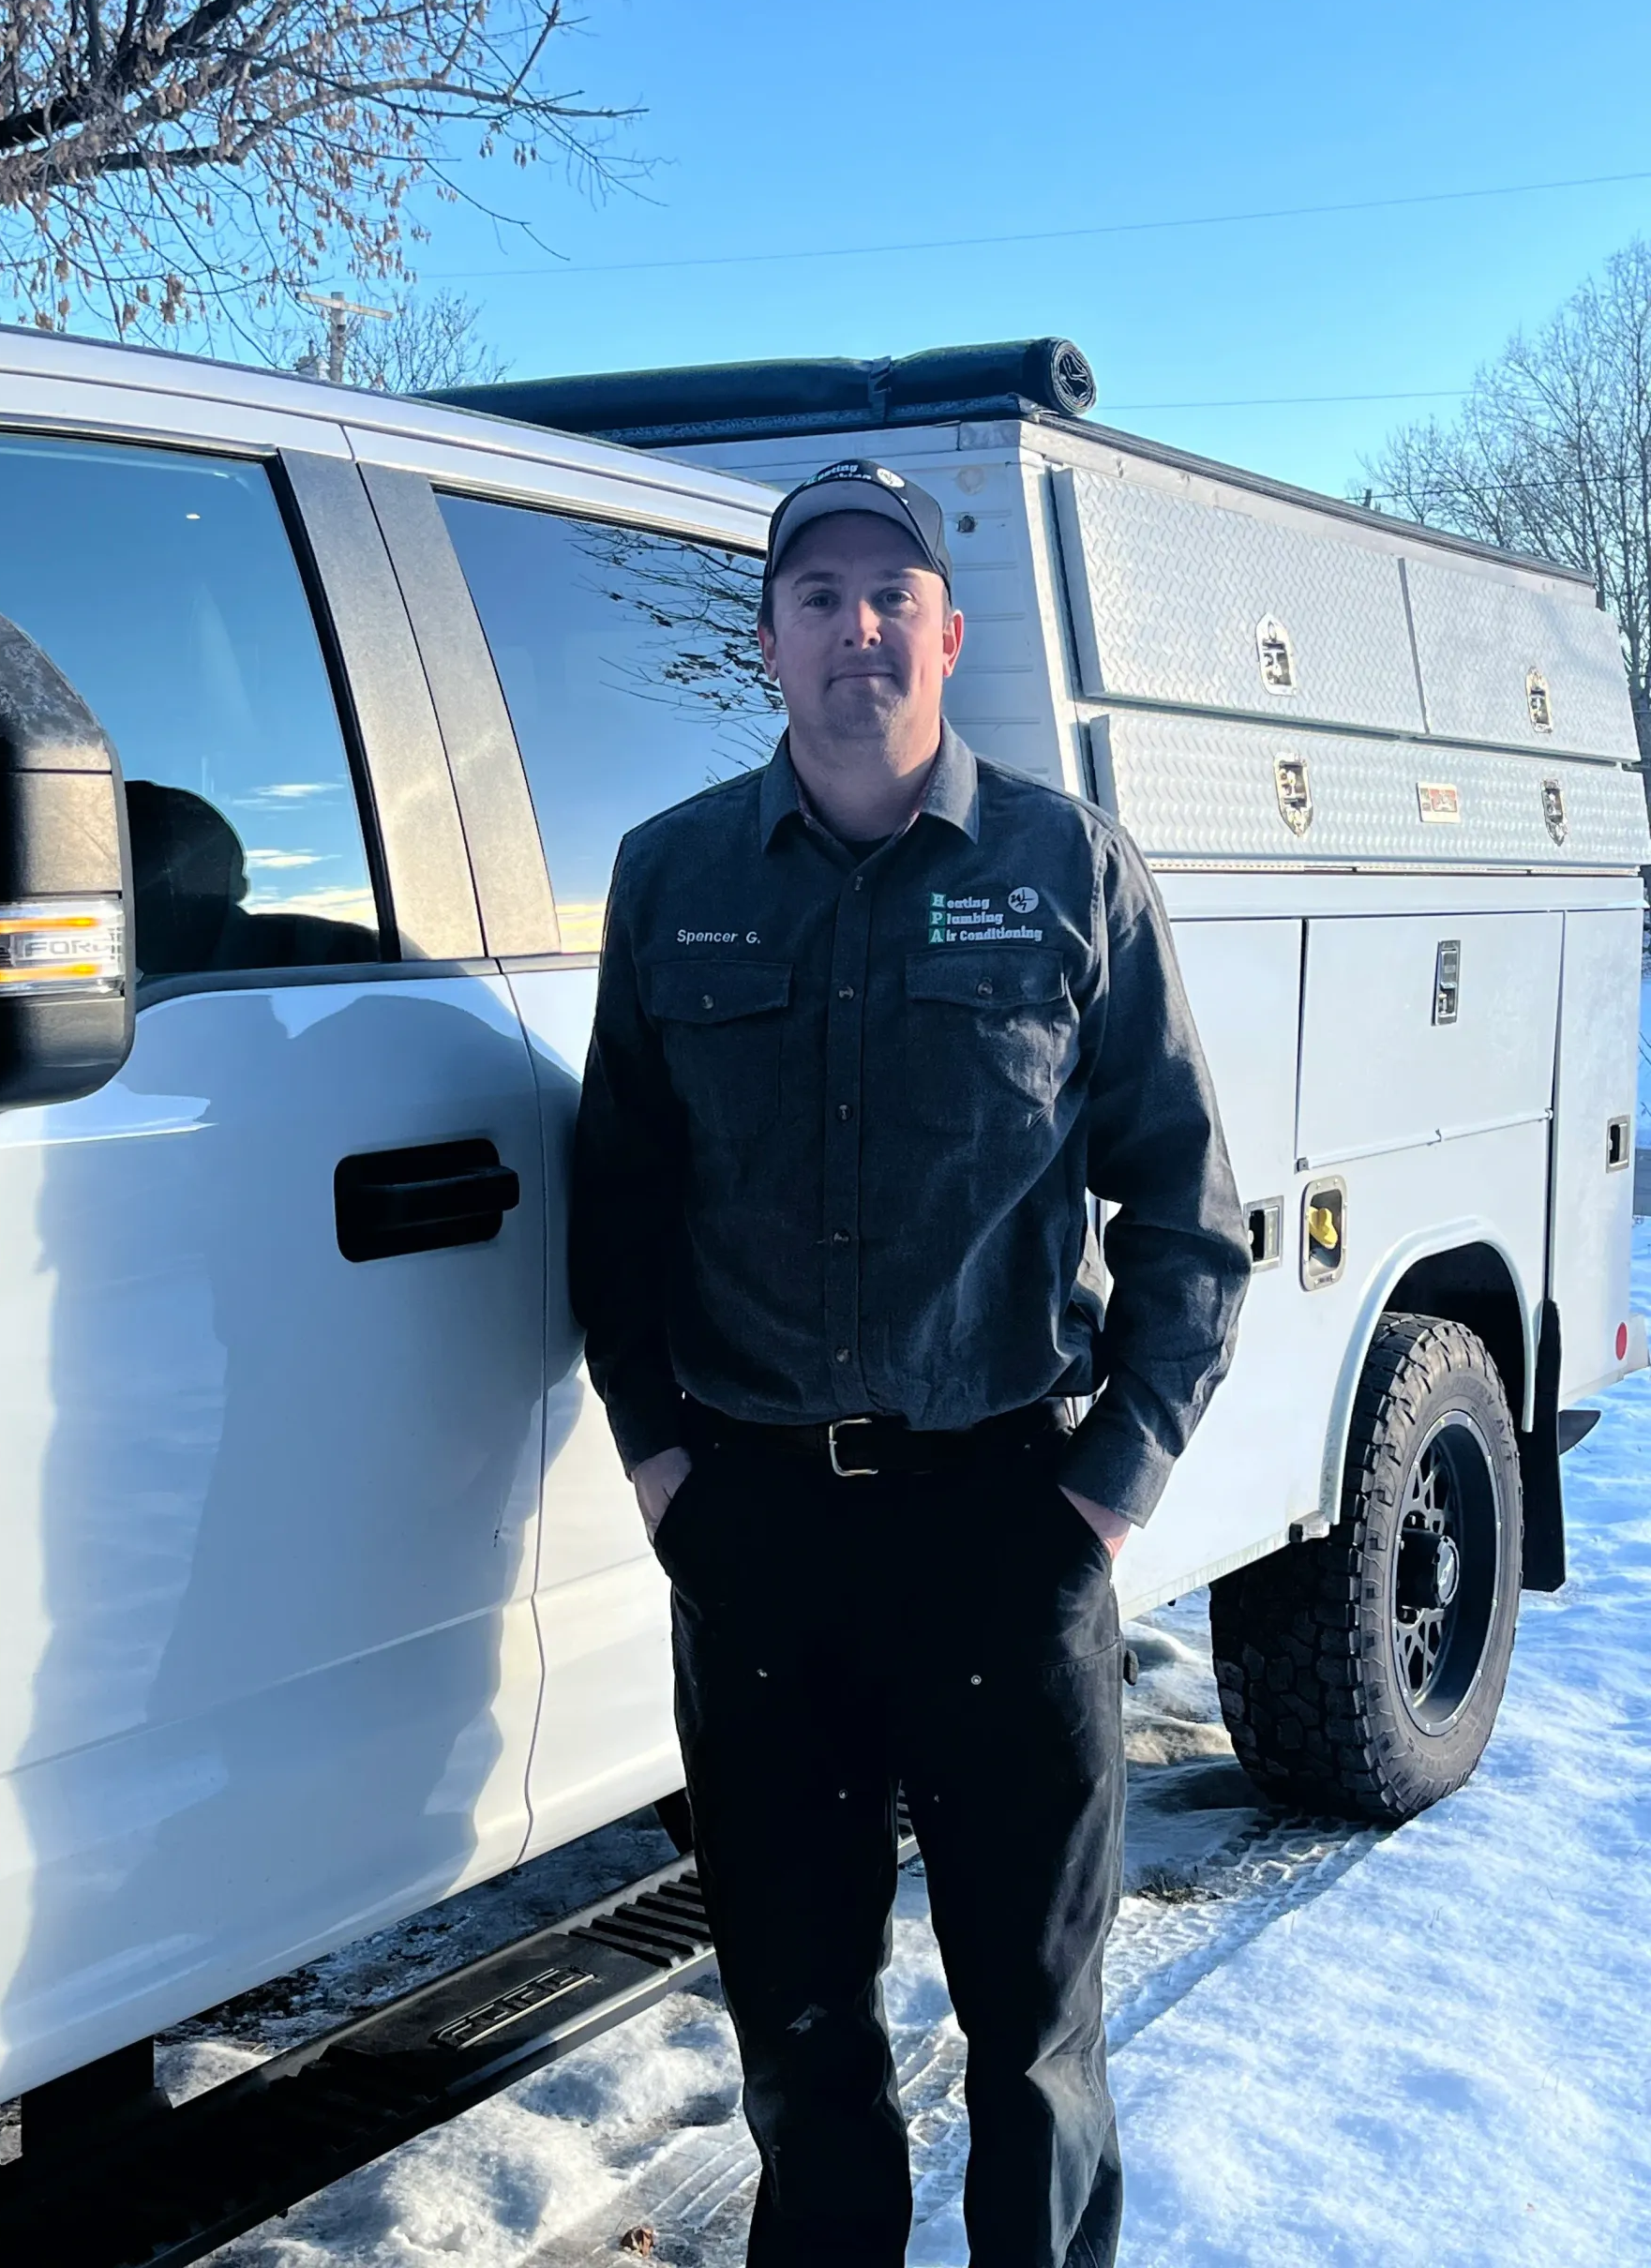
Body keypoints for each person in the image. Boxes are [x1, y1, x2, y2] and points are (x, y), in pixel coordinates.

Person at [570, 458, 1251, 2267]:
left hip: (1005, 1536)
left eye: (893, 596)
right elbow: (617, 1208)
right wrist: (661, 1472)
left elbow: (1189, 1218)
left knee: (1031, 2044)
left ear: (948, 634)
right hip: (758, 1544)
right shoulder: (675, 880)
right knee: (798, 2036)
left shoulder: (1063, 872)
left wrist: (1105, 1493)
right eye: (818, 594)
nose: (856, 626)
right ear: (768, 638)